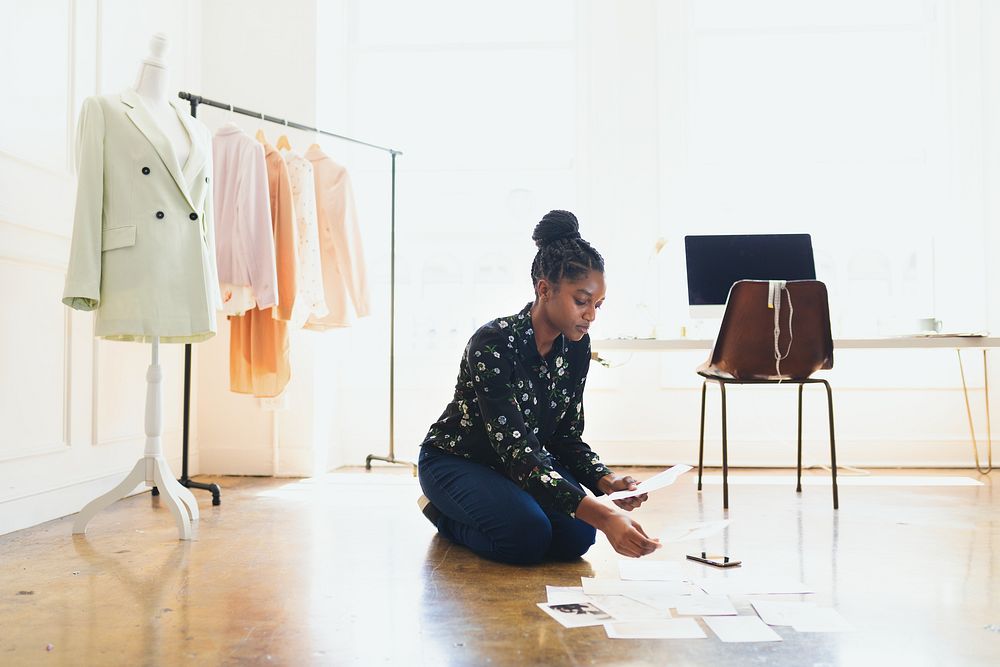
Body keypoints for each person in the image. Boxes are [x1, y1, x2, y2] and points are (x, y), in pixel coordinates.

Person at [416, 210, 661, 565]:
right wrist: (606, 516)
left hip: (520, 466)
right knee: (526, 539)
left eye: (598, 305)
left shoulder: (576, 346)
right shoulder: (492, 344)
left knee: (576, 537)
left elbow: (565, 436)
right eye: (581, 301)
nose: (591, 314)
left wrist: (605, 480)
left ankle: (509, 508)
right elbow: (517, 451)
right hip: (457, 462)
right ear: (544, 289)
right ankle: (441, 515)